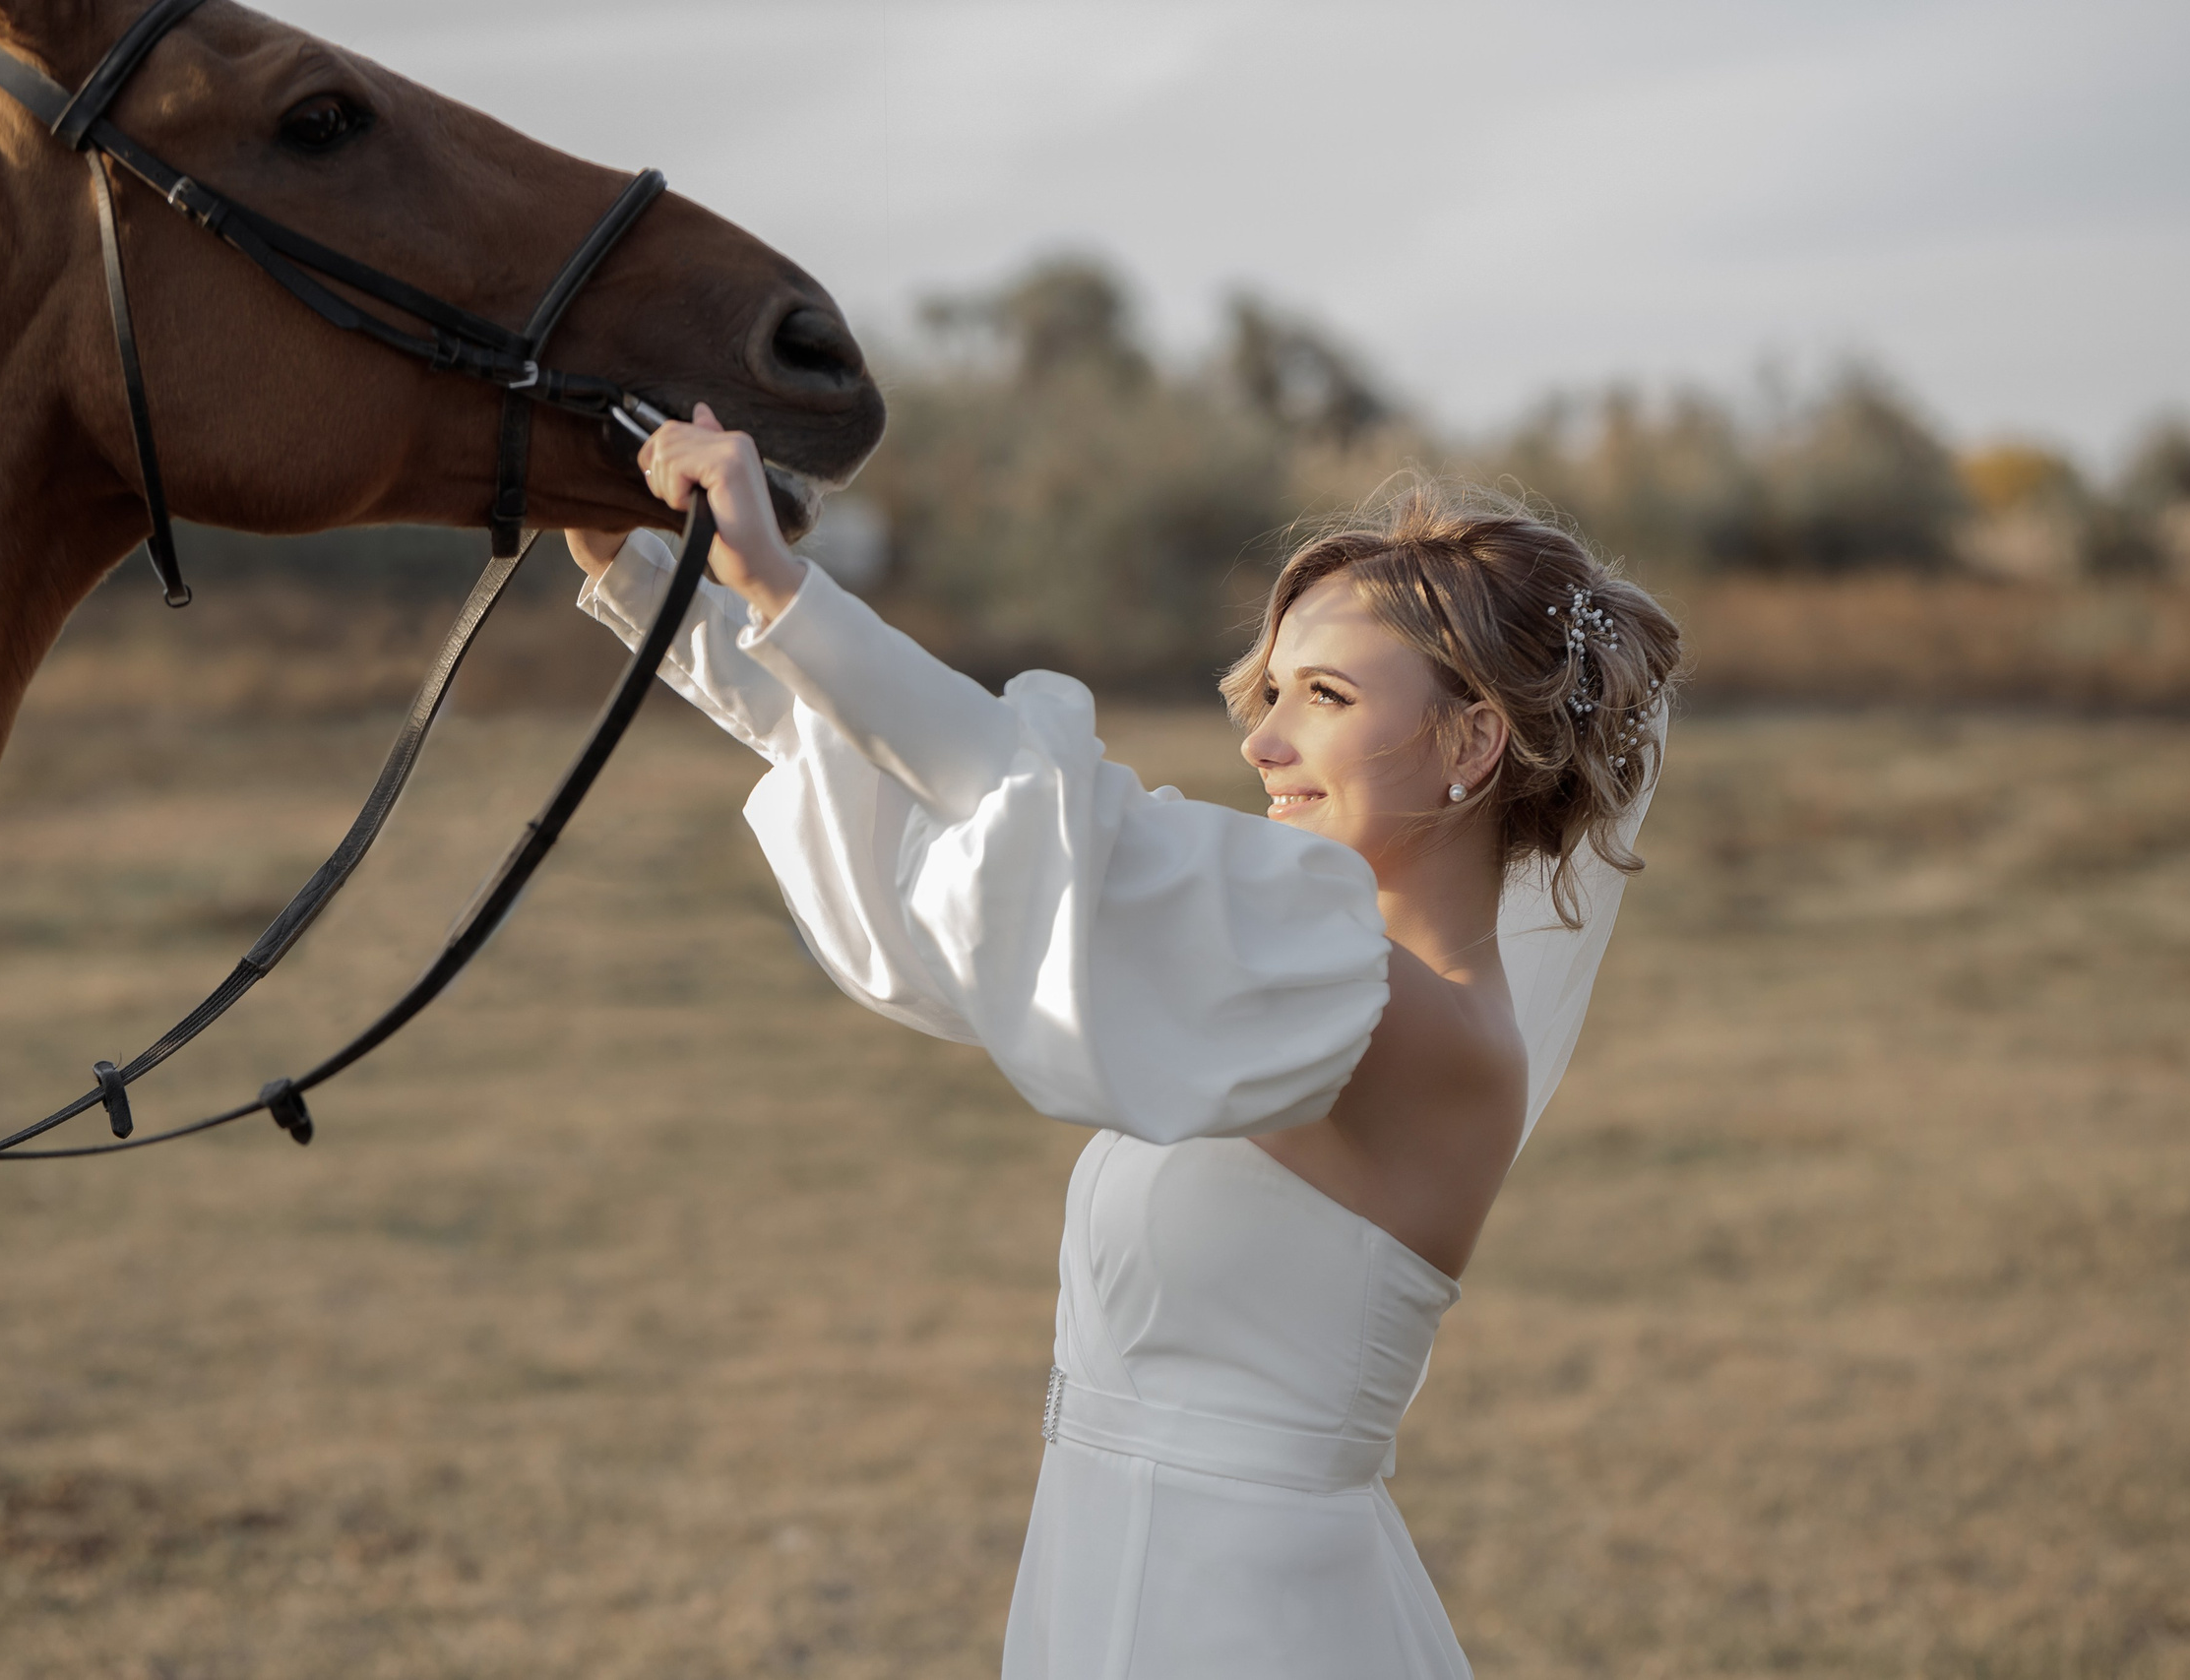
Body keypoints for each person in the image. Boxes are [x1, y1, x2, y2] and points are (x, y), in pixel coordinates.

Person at [568, 406, 1683, 1679]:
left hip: (1244, 1626)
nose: (1263, 741)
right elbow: (970, 828)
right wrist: (638, 573)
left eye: (1323, 696)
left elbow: (1035, 811)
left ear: (1474, 741)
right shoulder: (1305, 979)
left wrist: (776, 580)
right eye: (1271, 693)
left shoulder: (1415, 1023)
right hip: (1101, 1584)